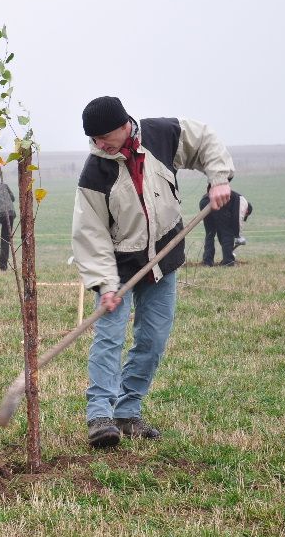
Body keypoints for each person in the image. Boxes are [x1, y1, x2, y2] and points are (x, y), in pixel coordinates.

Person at [72, 96, 234, 448]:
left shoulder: (162, 135)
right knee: (110, 338)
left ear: (123, 124)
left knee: (153, 339)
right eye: (94, 140)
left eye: (104, 137)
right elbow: (90, 233)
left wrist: (218, 178)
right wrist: (105, 283)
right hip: (117, 265)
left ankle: (128, 412)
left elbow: (204, 138)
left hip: (164, 255)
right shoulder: (94, 172)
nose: (100, 145)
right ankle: (100, 415)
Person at [200, 190, 253, 266]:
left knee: (210, 233)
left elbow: (220, 231)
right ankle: (228, 262)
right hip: (218, 201)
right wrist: (238, 236)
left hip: (204, 201)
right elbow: (238, 220)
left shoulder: (234, 201)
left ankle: (207, 262)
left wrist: (227, 247)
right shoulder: (243, 203)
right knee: (227, 233)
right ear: (247, 211)